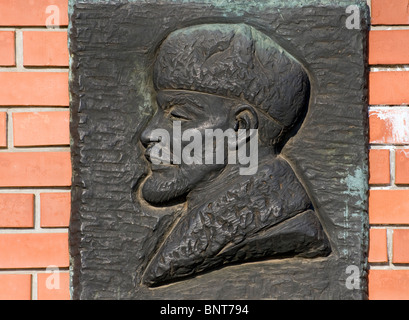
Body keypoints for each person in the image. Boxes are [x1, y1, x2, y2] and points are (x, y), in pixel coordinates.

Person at [138, 23, 331, 287]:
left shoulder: (283, 228)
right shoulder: (195, 228)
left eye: (177, 115)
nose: (149, 133)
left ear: (241, 128)